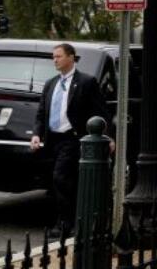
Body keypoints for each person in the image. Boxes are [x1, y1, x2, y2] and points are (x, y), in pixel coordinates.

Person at [31, 43, 112, 235]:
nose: (55, 60)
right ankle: (67, 221)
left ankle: (65, 224)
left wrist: (108, 137)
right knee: (59, 182)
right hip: (52, 140)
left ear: (71, 57)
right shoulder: (51, 83)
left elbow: (101, 112)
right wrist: (36, 134)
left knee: (61, 177)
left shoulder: (86, 82)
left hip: (73, 139)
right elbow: (42, 113)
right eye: (53, 57)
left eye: (58, 56)